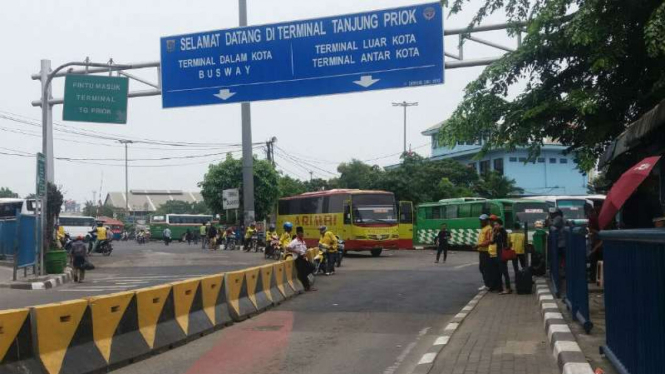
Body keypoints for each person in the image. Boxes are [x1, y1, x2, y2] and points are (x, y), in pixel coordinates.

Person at [286, 226, 316, 291]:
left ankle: (302, 278)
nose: (302, 234)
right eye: (300, 233)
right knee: (303, 273)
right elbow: (287, 248)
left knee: (312, 267)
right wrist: (296, 251)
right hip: (298, 259)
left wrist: (305, 253)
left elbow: (305, 249)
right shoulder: (295, 241)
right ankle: (307, 287)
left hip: (303, 258)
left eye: (302, 232)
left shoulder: (303, 241)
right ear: (297, 233)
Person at [491, 218, 511, 294]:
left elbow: (501, 241)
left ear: (500, 225)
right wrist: (493, 232)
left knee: (504, 271)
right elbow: (492, 242)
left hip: (502, 253)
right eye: (494, 225)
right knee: (499, 271)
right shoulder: (497, 232)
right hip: (498, 253)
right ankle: (500, 288)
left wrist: (495, 232)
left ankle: (508, 288)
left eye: (496, 224)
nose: (495, 226)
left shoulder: (502, 232)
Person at [474, 214, 492, 290]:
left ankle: (488, 284)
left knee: (485, 268)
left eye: (482, 221)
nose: (481, 222)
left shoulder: (488, 229)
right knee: (482, 268)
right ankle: (487, 283)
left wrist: (479, 245)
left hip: (486, 252)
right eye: (480, 221)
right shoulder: (484, 228)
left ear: (486, 221)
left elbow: (489, 240)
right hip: (482, 251)